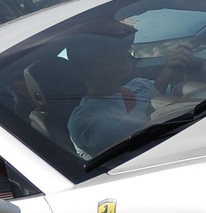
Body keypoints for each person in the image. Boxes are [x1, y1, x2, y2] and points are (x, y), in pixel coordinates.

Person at [65, 28, 190, 161]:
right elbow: (126, 137)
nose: (126, 51)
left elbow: (180, 97)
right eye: (116, 49)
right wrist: (163, 80)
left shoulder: (139, 84)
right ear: (96, 66)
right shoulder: (83, 119)